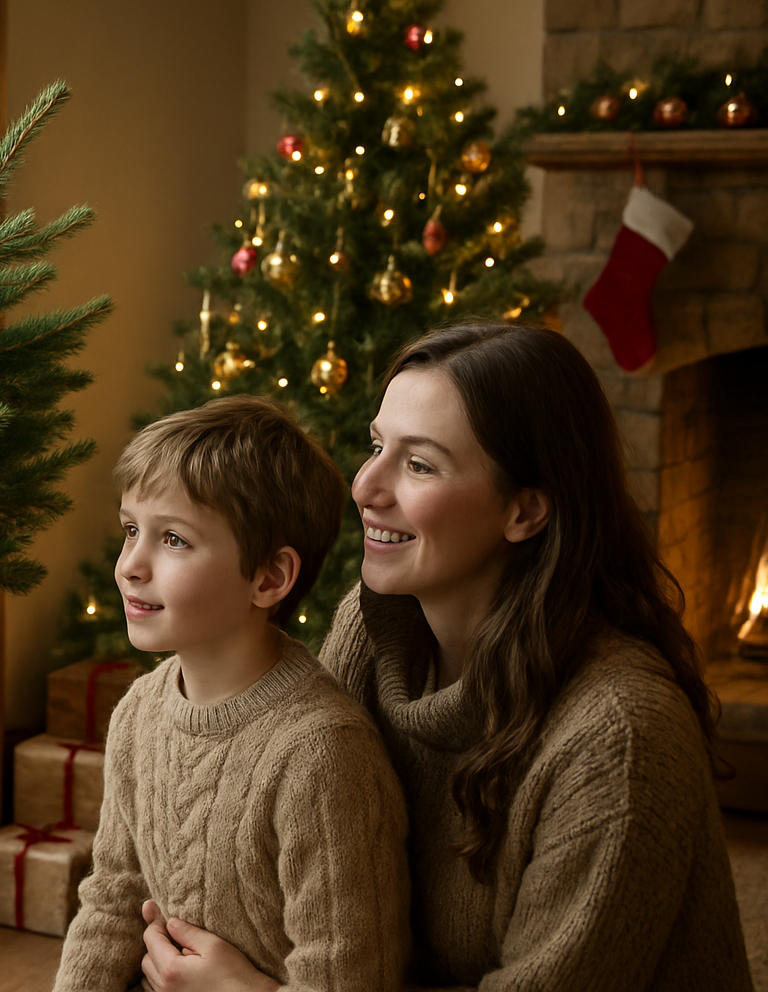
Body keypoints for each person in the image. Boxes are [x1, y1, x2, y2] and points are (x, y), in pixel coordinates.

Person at [311, 322, 749, 989]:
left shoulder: (620, 735)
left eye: (419, 464)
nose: (365, 486)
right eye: (376, 446)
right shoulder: (370, 629)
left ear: (526, 511)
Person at [52, 395, 410, 992]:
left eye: (174, 540)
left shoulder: (321, 757)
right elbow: (113, 900)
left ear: (270, 578)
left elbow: (348, 978)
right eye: (132, 529)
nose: (129, 566)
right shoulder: (138, 714)